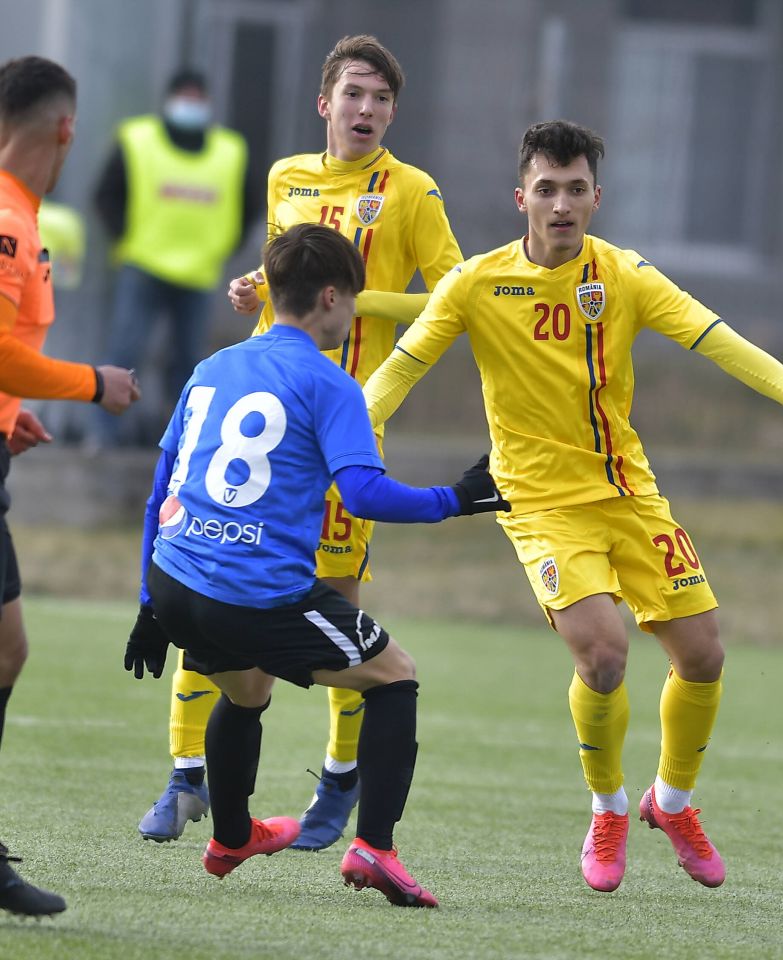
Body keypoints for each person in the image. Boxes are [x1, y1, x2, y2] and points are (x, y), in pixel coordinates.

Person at [362, 120, 783, 893]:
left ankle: (673, 803)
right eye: (545, 189)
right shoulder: (475, 284)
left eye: (574, 189)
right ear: (520, 196)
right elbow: (397, 372)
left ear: (597, 196)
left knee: (703, 655)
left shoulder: (624, 276)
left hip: (629, 494)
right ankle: (608, 808)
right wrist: (340, 445)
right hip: (537, 503)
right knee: (602, 655)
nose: (560, 204)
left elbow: (718, 339)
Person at [139, 34, 462, 851]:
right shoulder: (286, 175)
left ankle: (338, 780)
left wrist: (354, 296)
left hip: (348, 428)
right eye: (354, 94)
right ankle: (184, 778)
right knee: (216, 587)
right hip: (269, 422)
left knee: (342, 607)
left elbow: (452, 299)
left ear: (394, 111)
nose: (367, 110)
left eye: (382, 99)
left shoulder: (413, 191)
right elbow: (277, 287)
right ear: (326, 103)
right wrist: (258, 287)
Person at [126, 222, 506, 908]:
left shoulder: (212, 367)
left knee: (246, 689)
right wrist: (456, 499)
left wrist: (149, 608)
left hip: (174, 580)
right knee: (395, 676)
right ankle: (376, 848)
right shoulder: (332, 385)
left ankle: (233, 835)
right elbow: (362, 493)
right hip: (253, 593)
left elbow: (161, 492)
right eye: (353, 300)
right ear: (331, 297)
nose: (353, 313)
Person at [0, 54, 140, 918]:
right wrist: (92, 382)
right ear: (66, 129)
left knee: (7, 651)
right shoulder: (8, 221)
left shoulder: (22, 215)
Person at [91, 68, 252, 447]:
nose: (191, 104)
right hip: (143, 265)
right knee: (125, 352)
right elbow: (106, 195)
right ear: (169, 99)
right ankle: (103, 437)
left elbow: (245, 208)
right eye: (185, 96)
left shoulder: (230, 151)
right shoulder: (138, 139)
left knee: (188, 365)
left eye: (198, 97)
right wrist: (126, 238)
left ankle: (180, 443)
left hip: (198, 273)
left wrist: (221, 246)